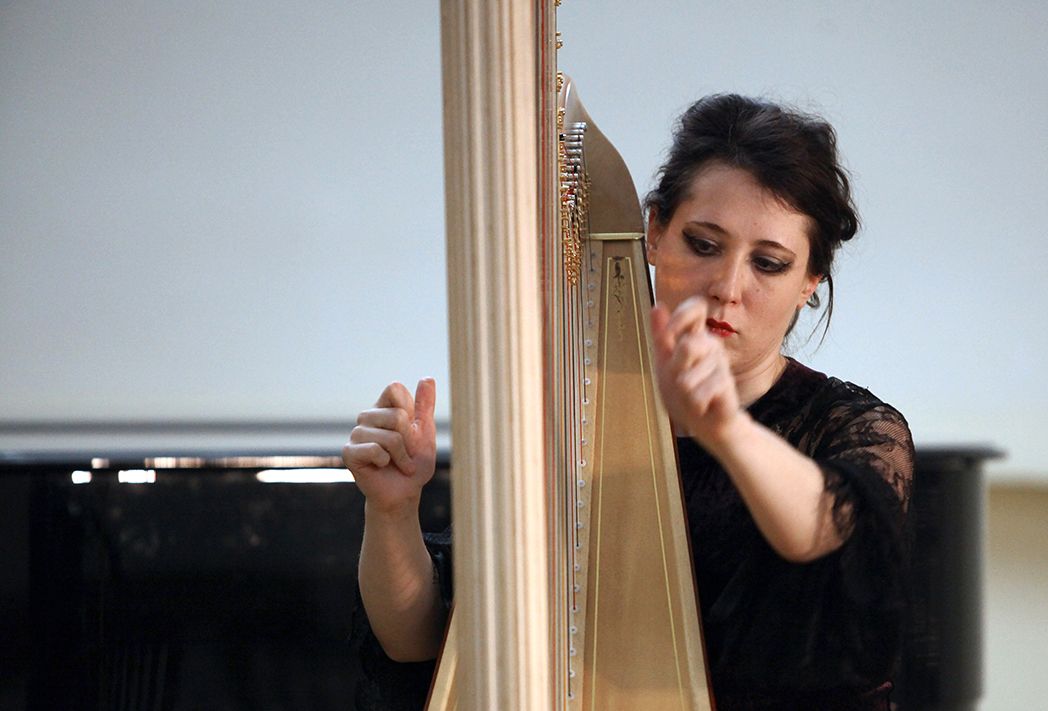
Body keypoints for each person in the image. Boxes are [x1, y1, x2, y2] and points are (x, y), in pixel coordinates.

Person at [343, 94, 914, 711]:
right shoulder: (573, 418)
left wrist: (725, 429)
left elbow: (824, 530)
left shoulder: (855, 428)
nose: (728, 287)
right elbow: (420, 643)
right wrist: (393, 509)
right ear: (654, 232)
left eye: (769, 264)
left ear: (809, 283)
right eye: (703, 244)